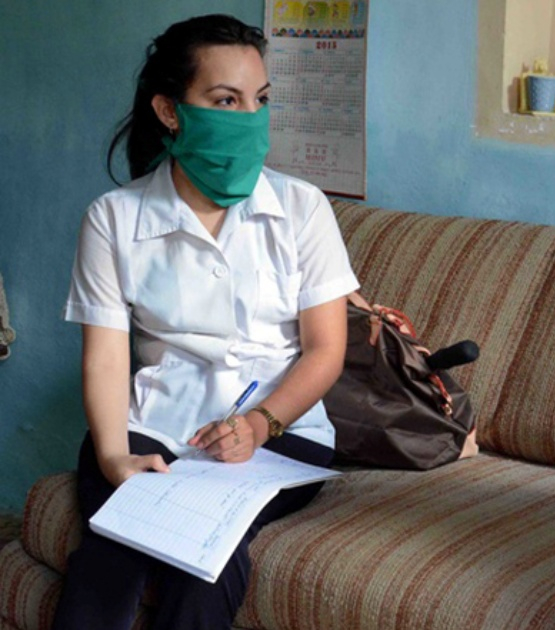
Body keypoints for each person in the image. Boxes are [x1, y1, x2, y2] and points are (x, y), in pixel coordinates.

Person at [54, 14, 359, 630]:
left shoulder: (302, 208)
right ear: (170, 111)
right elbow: (107, 357)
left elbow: (325, 350)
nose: (249, 119)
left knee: (204, 565)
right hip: (152, 428)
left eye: (260, 101)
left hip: (283, 434)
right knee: (110, 557)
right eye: (226, 100)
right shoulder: (113, 219)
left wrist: (259, 424)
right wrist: (115, 461)